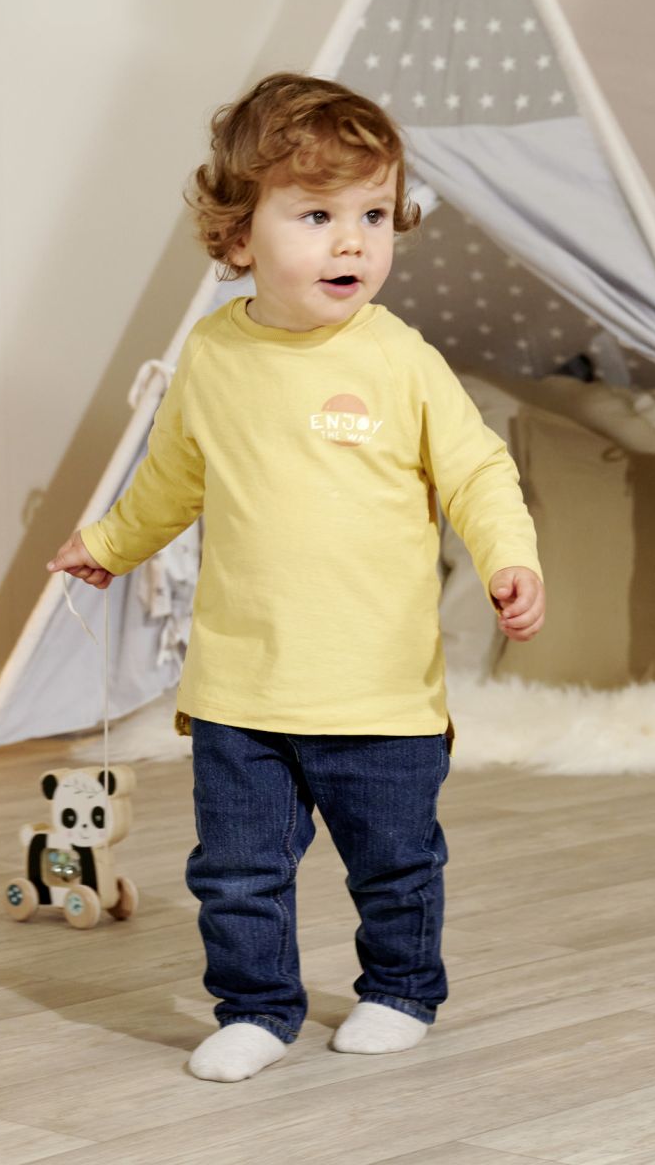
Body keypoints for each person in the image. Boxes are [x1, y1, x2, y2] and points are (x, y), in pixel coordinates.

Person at [47, 72, 545, 1082]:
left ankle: (400, 990)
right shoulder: (212, 354)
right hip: (241, 689)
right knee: (236, 872)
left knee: (397, 865)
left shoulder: (400, 359)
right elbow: (174, 479)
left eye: (374, 215)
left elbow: (478, 470)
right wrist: (108, 542)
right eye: (318, 215)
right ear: (239, 236)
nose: (353, 242)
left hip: (381, 694)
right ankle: (257, 1007)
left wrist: (509, 555)